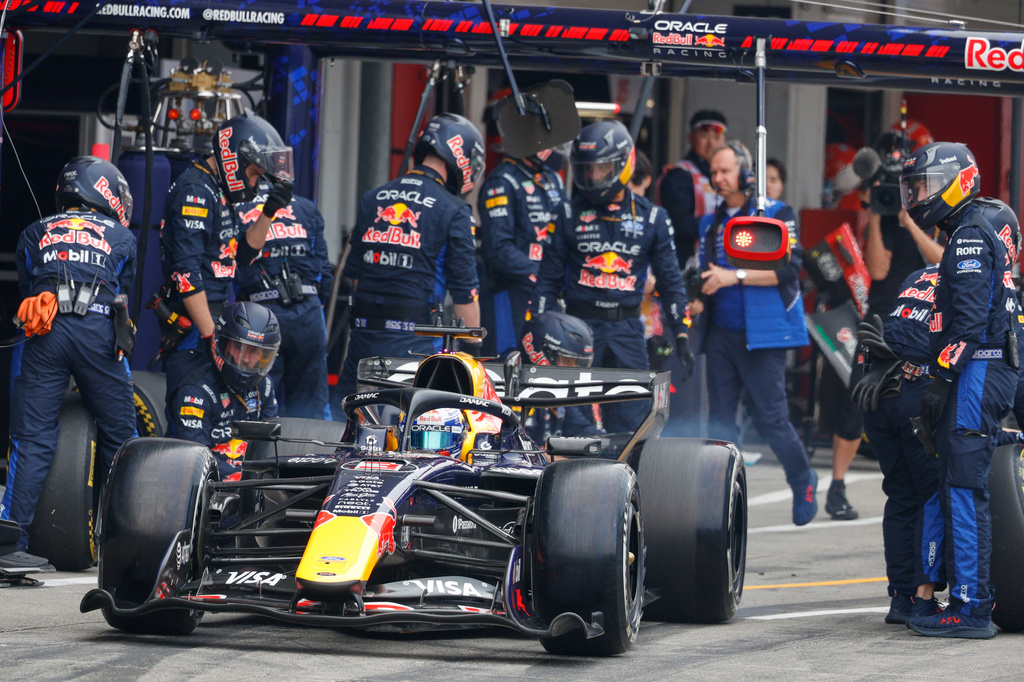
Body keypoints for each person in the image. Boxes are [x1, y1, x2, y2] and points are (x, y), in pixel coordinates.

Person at [903, 142, 1018, 639]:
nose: (917, 196)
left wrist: (941, 381)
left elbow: (968, 325)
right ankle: (954, 596)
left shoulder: (969, 235)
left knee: (966, 489)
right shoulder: (994, 216)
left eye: (924, 186)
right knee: (957, 481)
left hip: (980, 367)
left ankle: (972, 608)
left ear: (956, 181)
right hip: (997, 364)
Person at [0, 156, 138, 569]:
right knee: (122, 437)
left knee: (31, 438)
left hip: (44, 330)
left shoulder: (32, 231)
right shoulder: (123, 237)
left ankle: (9, 543)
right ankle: (124, 543)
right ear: (108, 193)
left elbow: (27, 287)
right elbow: (122, 297)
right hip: (98, 330)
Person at [534, 120, 693, 434]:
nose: (593, 176)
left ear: (623, 164)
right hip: (577, 330)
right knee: (576, 426)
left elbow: (671, 280)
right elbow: (547, 281)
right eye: (587, 169)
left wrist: (682, 334)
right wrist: (537, 329)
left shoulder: (653, 217)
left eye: (602, 168)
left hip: (628, 331)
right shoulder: (566, 213)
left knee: (631, 427)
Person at [689, 143, 817, 526]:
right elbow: (703, 270)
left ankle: (802, 479)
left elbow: (790, 270)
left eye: (725, 171)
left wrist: (735, 275)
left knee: (772, 419)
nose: (718, 179)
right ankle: (721, 500)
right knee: (720, 424)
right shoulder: (708, 223)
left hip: (764, 334)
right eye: (713, 172)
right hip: (721, 332)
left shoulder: (776, 214)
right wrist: (696, 297)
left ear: (746, 175)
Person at [339, 113, 484, 399]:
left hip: (362, 345)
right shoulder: (454, 210)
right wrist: (475, 350)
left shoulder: (373, 198)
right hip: (414, 348)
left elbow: (354, 277)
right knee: (411, 434)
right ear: (460, 156)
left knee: (346, 429)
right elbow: (465, 299)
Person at [158, 112, 294, 398]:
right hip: (194, 325)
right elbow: (186, 273)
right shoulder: (195, 190)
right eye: (254, 174)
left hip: (217, 319)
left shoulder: (218, 190)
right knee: (191, 410)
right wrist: (211, 337)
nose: (255, 184)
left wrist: (269, 210)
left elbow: (242, 255)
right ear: (235, 160)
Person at [235, 185, 334, 419]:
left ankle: (252, 454)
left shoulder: (237, 206)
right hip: (308, 311)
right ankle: (313, 454)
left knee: (255, 403)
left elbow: (231, 266)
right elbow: (325, 272)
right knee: (311, 410)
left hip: (259, 314)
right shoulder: (306, 206)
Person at [166, 302, 280, 481]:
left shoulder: (264, 386)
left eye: (255, 351)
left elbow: (272, 446)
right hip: (198, 485)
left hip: (248, 485)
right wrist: (242, 479)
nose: (247, 359)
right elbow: (194, 460)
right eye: (239, 349)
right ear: (221, 344)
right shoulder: (195, 393)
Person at [477, 143, 570, 357]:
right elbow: (497, 248)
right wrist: (543, 273)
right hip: (509, 293)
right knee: (507, 361)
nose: (556, 145)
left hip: (549, 293)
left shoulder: (553, 178)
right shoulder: (502, 180)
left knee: (547, 361)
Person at [655, 109, 727, 267]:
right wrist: (724, 223)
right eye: (704, 136)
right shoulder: (679, 175)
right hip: (685, 264)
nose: (711, 143)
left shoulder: (731, 177)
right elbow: (681, 226)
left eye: (717, 137)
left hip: (722, 263)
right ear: (690, 137)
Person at [517, 311, 600, 441]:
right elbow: (512, 450)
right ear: (539, 353)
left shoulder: (560, 393)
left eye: (577, 363)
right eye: (567, 361)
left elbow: (585, 432)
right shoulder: (513, 395)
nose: (574, 369)